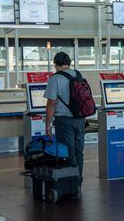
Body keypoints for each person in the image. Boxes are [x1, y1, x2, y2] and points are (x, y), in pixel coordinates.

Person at [44, 52, 85, 193]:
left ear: (56, 64)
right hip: (80, 119)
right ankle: (78, 180)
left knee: (68, 151)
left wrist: (47, 124)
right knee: (79, 150)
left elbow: (51, 103)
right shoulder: (78, 75)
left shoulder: (55, 79)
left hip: (64, 121)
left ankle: (71, 184)